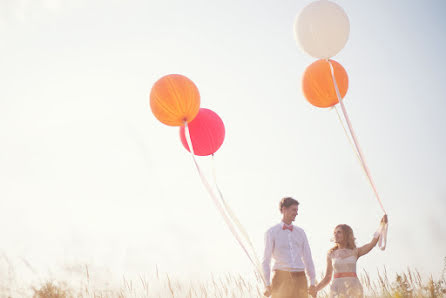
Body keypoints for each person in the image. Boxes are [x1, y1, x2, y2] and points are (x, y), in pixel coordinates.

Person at [310, 215, 388, 298]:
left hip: (354, 287)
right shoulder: (331, 254)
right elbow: (327, 277)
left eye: (339, 232)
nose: (336, 235)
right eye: (334, 233)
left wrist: (382, 225)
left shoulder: (355, 251)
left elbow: (372, 243)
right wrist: (316, 289)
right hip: (337, 288)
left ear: (346, 235)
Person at [262, 197, 316, 298]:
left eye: (297, 210)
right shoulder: (271, 232)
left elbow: (308, 257)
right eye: (293, 210)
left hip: (300, 277)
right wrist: (267, 284)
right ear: (283, 209)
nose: (296, 213)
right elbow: (266, 260)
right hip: (281, 277)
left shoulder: (301, 232)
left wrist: (312, 282)